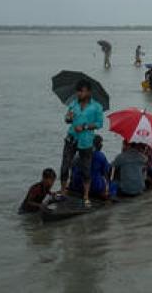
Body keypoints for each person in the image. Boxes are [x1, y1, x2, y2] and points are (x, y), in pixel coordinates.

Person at [60, 79, 105, 208]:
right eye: (78, 91)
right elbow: (67, 120)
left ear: (89, 92)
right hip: (71, 138)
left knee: (86, 169)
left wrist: (85, 126)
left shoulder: (96, 106)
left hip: (86, 141)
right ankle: (63, 192)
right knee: (64, 166)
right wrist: (68, 117)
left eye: (82, 91)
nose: (79, 93)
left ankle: (86, 196)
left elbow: (99, 124)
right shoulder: (73, 104)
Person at [70, 135, 110, 199]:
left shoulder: (79, 155)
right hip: (94, 187)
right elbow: (105, 171)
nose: (102, 145)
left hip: (78, 185)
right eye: (101, 143)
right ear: (98, 145)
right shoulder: (100, 156)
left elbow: (72, 167)